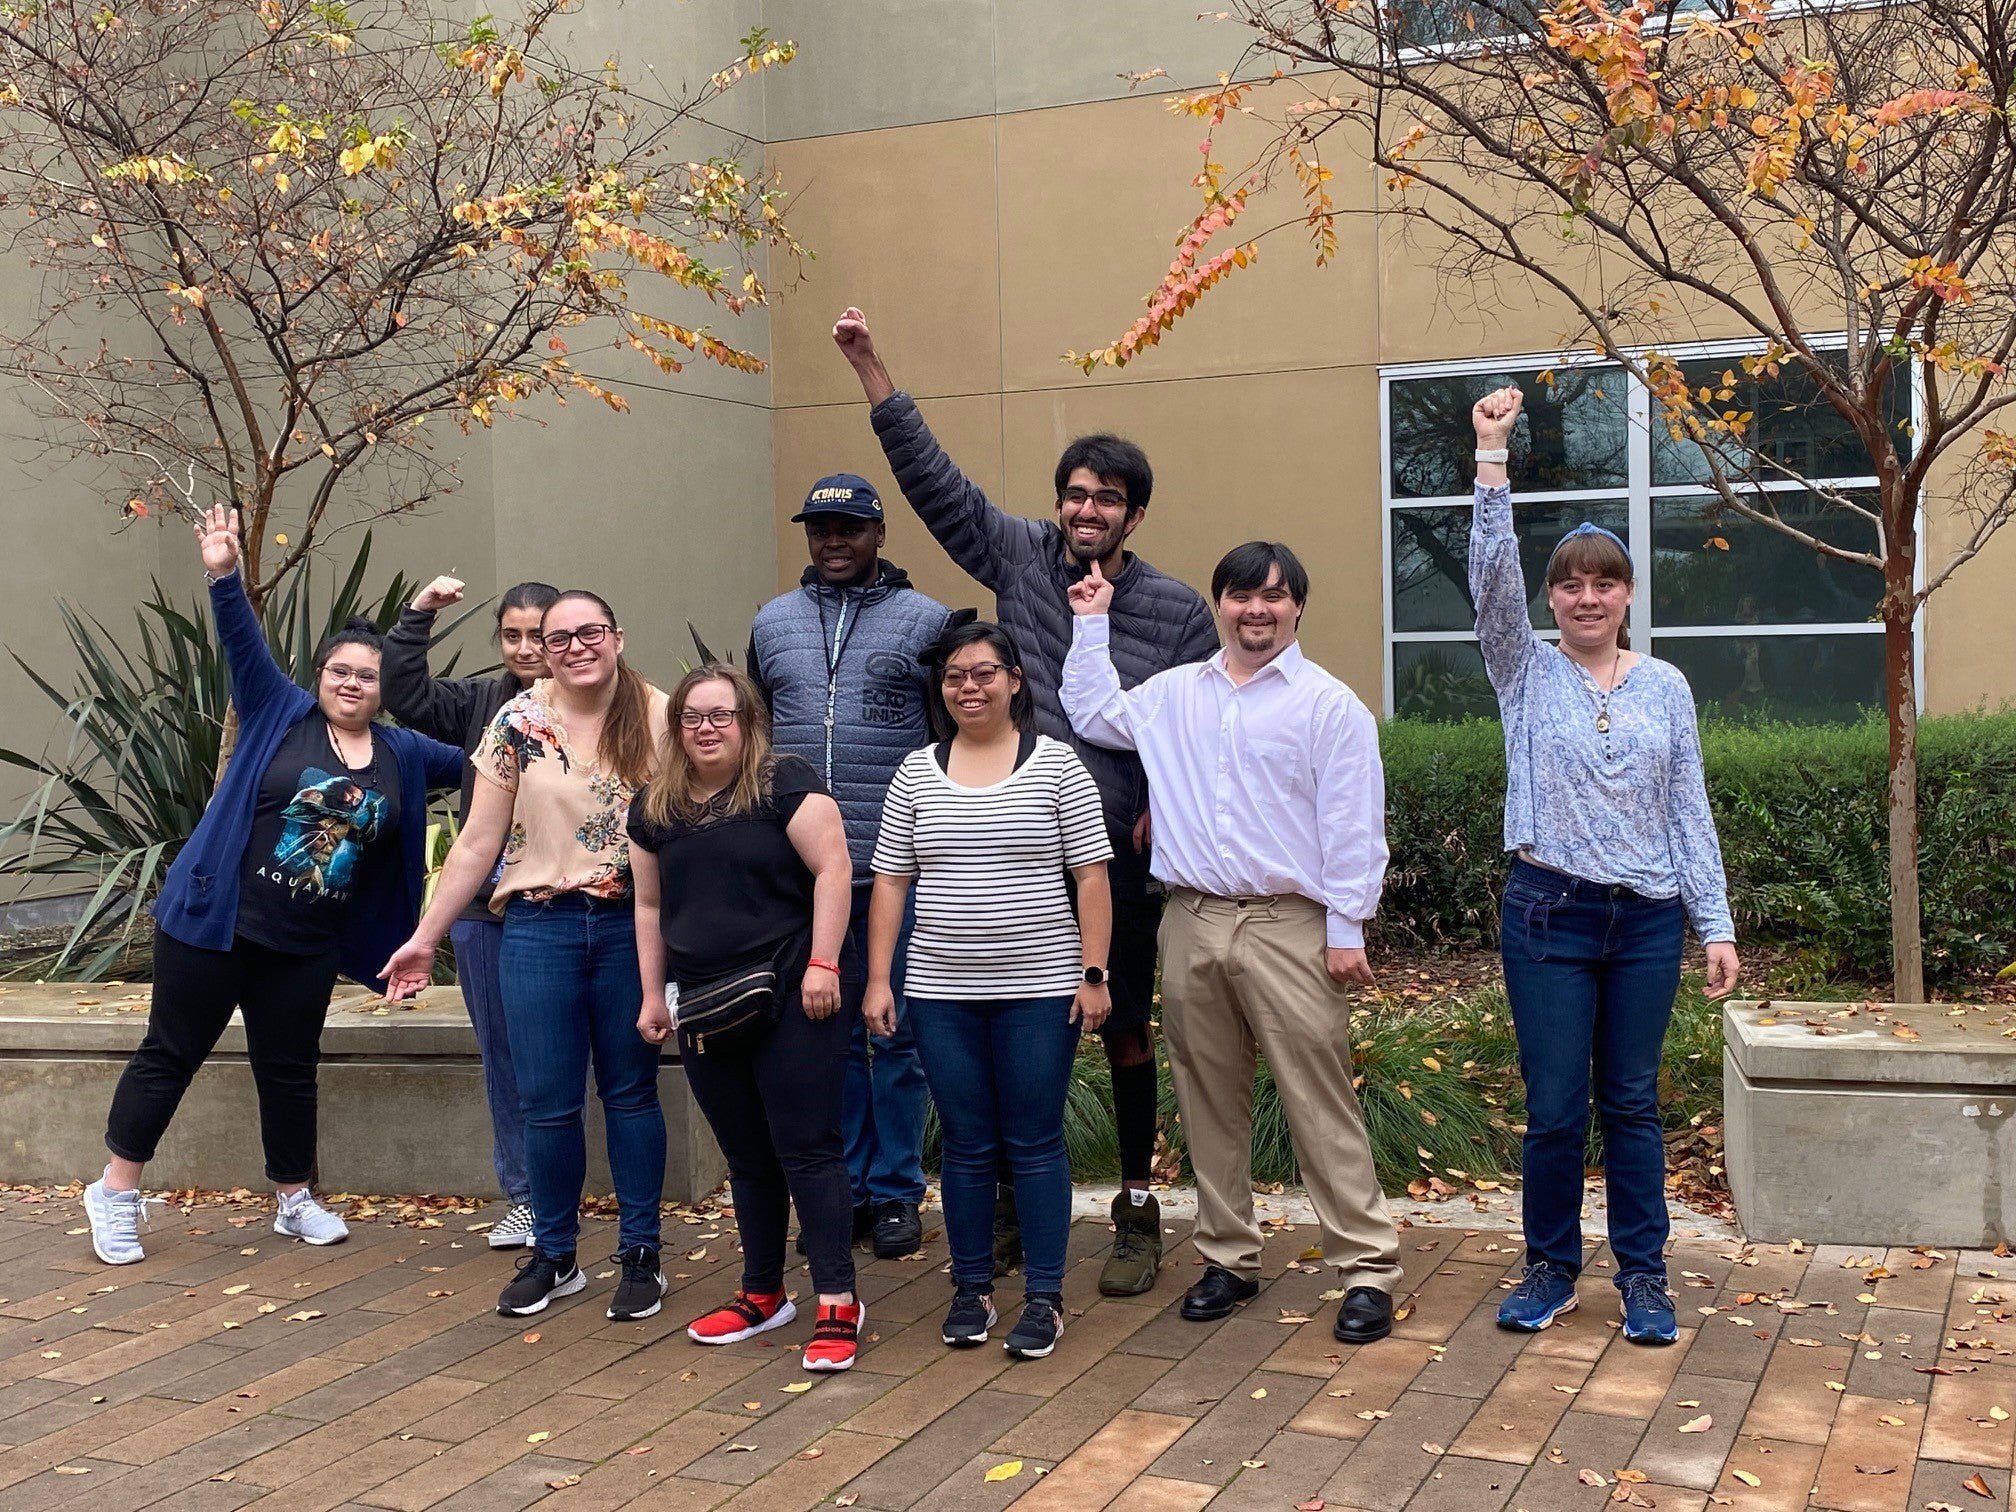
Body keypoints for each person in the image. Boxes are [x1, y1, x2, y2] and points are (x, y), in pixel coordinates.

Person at [835, 306, 1216, 1297]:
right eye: (1076, 496)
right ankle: (1005, 1201)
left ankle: (1137, 1206)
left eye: (1110, 499)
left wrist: (1164, 807)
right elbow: (933, 483)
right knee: (1001, 1026)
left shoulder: (1176, 609)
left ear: (1135, 515)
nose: (1088, 510)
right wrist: (874, 369)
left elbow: (1200, 727)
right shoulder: (1020, 559)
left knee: (1123, 1029)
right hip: (1004, 849)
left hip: (1114, 861)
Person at [83, 506, 464, 1266]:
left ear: (387, 687)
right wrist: (223, 571)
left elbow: (493, 763)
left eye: (368, 675)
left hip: (307, 942)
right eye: (341, 672)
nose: (354, 683)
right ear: (321, 677)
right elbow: (240, 640)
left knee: (290, 1070)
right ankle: (116, 1191)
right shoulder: (277, 712)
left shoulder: (407, 751)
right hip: (214, 922)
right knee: (172, 1053)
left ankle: (294, 1198)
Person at [1062, 542, 1404, 1345]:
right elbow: (1091, 711)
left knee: (1317, 1099)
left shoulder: (1329, 706)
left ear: (1298, 609)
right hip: (1192, 917)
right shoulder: (1176, 695)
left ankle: (1367, 1268)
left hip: (1291, 924)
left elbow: (1355, 825)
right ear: (1220, 603)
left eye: (1276, 597)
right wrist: (1090, 622)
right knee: (1208, 1100)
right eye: (1243, 595)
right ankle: (1228, 1257)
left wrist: (1348, 926)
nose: (1259, 610)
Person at [1467, 385, 1740, 1346]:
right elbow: (1491, 581)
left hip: (1648, 920)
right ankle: (1548, 1268)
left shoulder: (1666, 685)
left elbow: (1687, 807)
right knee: (1553, 1108)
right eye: (1571, 585)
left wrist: (1716, 922)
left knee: (1629, 1103)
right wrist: (1491, 459)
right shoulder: (1523, 670)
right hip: (1550, 914)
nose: (1588, 597)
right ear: (1553, 598)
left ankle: (1645, 1277)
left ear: (1627, 595)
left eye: (1605, 583)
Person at [381, 591, 670, 1322]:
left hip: (625, 927)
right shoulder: (518, 720)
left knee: (632, 1094)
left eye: (590, 632)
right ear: (542, 645)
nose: (576, 646)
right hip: (538, 929)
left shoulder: (661, 714)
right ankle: (556, 1251)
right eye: (559, 636)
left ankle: (641, 1252)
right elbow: (478, 841)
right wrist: (425, 936)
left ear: (617, 635)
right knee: (546, 1103)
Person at [866, 620, 1113, 1360]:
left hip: (1040, 991)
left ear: (1014, 680)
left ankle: (1044, 1297)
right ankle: (971, 1288)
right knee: (967, 1146)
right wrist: (880, 978)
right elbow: (890, 881)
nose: (968, 687)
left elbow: (1092, 875)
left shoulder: (1058, 766)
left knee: (1034, 1142)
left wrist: (1094, 973)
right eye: (954, 677)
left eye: (983, 673)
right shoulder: (916, 771)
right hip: (942, 992)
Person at [630, 665, 868, 1372]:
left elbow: (834, 870)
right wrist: (651, 996)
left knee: (807, 1145)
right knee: (746, 1153)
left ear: (748, 721)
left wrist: (825, 963)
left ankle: (837, 1299)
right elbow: (648, 908)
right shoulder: (655, 807)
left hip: (798, 984)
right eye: (693, 717)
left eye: (721, 715)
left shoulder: (783, 783)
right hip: (706, 996)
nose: (707, 728)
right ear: (675, 729)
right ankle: (763, 1292)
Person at [747, 474, 949, 1261]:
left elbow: (946, 732)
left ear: (878, 534)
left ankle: (897, 1191)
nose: (833, 541)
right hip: (799, 872)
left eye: (849, 528)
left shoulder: (927, 621)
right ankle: (846, 1193)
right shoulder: (772, 623)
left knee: (892, 1035)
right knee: (820, 1039)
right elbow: (754, 735)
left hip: (894, 866)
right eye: (819, 528)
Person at [382, 573, 560, 1251]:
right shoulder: (481, 702)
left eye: (537, 635)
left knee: (579, 1054)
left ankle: (574, 1192)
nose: (525, 648)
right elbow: (405, 693)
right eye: (511, 635)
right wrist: (418, 614)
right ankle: (527, 1198)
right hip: (486, 911)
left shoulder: (601, 705)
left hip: (571, 904)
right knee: (505, 1057)